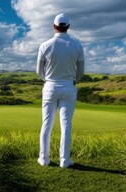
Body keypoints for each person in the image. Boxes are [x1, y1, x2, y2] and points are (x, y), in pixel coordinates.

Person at [36, 13, 84, 168]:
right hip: (69, 87)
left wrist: (48, 81)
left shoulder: (45, 45)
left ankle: (44, 159)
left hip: (50, 86)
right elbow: (81, 71)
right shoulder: (77, 45)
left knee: (46, 124)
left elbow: (39, 70)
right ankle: (64, 160)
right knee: (66, 125)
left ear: (54, 26)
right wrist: (73, 81)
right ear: (68, 27)